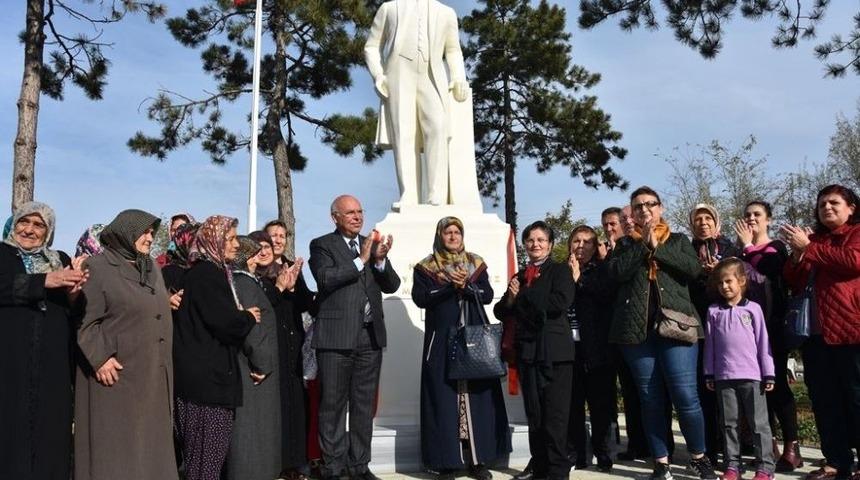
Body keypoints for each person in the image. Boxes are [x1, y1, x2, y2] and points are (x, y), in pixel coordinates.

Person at [607, 186, 717, 480]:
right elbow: (616, 275)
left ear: (661, 208)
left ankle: (699, 457)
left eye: (649, 205)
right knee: (649, 398)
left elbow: (693, 270)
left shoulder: (679, 240)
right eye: (638, 206)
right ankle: (661, 462)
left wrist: (659, 246)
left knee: (685, 395)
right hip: (637, 334)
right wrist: (643, 246)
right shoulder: (625, 246)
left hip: (677, 328)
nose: (644, 210)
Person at [75, 209, 178, 480]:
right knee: (118, 451)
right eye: (143, 231)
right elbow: (84, 319)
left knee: (150, 449)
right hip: (118, 375)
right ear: (124, 231)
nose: (149, 237)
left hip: (153, 373)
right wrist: (99, 357)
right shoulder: (97, 267)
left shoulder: (151, 267)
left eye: (152, 232)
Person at [308, 194, 401, 480]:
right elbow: (325, 279)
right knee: (333, 405)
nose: (357, 217)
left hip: (369, 337)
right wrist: (362, 260)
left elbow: (392, 284)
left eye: (360, 211)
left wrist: (381, 260)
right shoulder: (322, 245)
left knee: (363, 406)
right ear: (335, 217)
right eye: (350, 212)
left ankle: (359, 465)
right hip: (336, 338)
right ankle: (333, 466)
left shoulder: (370, 245)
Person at [412, 217, 511, 480]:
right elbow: (421, 298)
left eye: (457, 232)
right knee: (444, 402)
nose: (453, 236)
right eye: (448, 232)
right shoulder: (426, 267)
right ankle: (447, 463)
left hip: (475, 344)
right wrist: (448, 287)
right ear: (440, 235)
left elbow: (487, 295)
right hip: (442, 344)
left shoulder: (476, 263)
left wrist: (466, 286)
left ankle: (478, 461)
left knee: (477, 400)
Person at [0, 201, 86, 480]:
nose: (29, 230)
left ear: (48, 231)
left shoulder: (59, 258)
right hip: (10, 360)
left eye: (39, 225)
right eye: (24, 222)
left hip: (52, 363)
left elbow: (73, 312)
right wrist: (44, 281)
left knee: (51, 433)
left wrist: (73, 293)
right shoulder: (2, 253)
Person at [173, 215, 262, 480]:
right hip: (207, 387)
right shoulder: (207, 275)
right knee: (205, 464)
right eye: (231, 238)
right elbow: (225, 323)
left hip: (202, 383)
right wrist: (248, 317)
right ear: (214, 241)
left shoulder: (207, 273)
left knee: (201, 463)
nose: (236, 244)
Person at [782, 184, 860, 480]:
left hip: (850, 330)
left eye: (834, 203)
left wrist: (810, 249)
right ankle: (836, 460)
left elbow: (853, 262)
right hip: (814, 335)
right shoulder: (813, 239)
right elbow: (792, 278)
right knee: (824, 399)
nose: (826, 207)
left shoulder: (855, 234)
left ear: (851, 207)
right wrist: (798, 256)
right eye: (822, 204)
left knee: (855, 397)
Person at [364, 0, 470, 206]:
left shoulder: (446, 13)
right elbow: (371, 46)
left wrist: (458, 77)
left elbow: (453, 50)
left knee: (438, 129)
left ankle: (436, 194)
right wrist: (378, 75)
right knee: (404, 133)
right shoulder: (389, 8)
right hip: (399, 74)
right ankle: (409, 195)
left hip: (432, 76)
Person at [494, 221, 576, 480]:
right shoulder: (520, 276)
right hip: (528, 352)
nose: (535, 244)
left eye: (541, 240)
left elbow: (559, 302)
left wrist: (525, 296)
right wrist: (512, 298)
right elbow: (500, 310)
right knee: (536, 415)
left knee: (555, 417)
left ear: (550, 245)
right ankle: (539, 467)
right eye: (530, 240)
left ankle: (557, 470)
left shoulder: (560, 271)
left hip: (555, 353)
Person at [735, 200, 803, 471]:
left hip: (772, 327)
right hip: (745, 330)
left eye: (757, 215)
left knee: (778, 387)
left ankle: (792, 446)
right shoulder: (741, 254)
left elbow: (771, 269)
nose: (751, 218)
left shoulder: (777, 248)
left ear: (768, 220)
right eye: (747, 214)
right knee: (758, 390)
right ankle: (769, 445)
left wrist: (748, 246)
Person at [250, 228, 316, 480]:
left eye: (270, 245)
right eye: (261, 246)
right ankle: (276, 462)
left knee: (295, 406)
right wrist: (278, 288)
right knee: (275, 408)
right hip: (268, 350)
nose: (266, 250)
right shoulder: (250, 278)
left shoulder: (286, 273)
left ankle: (295, 464)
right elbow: (265, 312)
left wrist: (294, 286)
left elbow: (304, 306)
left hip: (292, 349)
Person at [703, 258, 776, 480]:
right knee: (729, 424)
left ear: (742, 281)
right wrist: (709, 372)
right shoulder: (714, 311)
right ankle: (733, 465)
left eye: (728, 281)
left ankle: (765, 468)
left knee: (759, 425)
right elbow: (710, 345)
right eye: (720, 283)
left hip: (752, 377)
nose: (724, 287)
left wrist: (768, 372)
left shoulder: (753, 309)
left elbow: (764, 342)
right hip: (724, 377)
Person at [224, 236, 282, 480]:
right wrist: (263, 363)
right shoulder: (245, 284)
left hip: (251, 369)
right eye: (254, 252)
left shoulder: (243, 282)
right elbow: (254, 330)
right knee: (252, 432)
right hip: (254, 373)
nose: (259, 256)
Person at [689, 202, 740, 463]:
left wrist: (718, 273)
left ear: (716, 222)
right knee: (704, 388)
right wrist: (702, 275)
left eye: (708, 218)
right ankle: (710, 447)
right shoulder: (687, 250)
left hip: (730, 329)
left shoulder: (730, 248)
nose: (703, 223)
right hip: (698, 327)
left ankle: (739, 447)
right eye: (698, 220)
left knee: (733, 389)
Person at [565, 225, 615, 472]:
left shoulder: (602, 269)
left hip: (597, 347)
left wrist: (580, 281)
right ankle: (577, 454)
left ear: (595, 247)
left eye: (587, 242)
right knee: (573, 405)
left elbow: (606, 295)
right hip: (568, 348)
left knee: (600, 405)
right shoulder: (560, 271)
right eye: (576, 241)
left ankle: (603, 452)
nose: (581, 246)